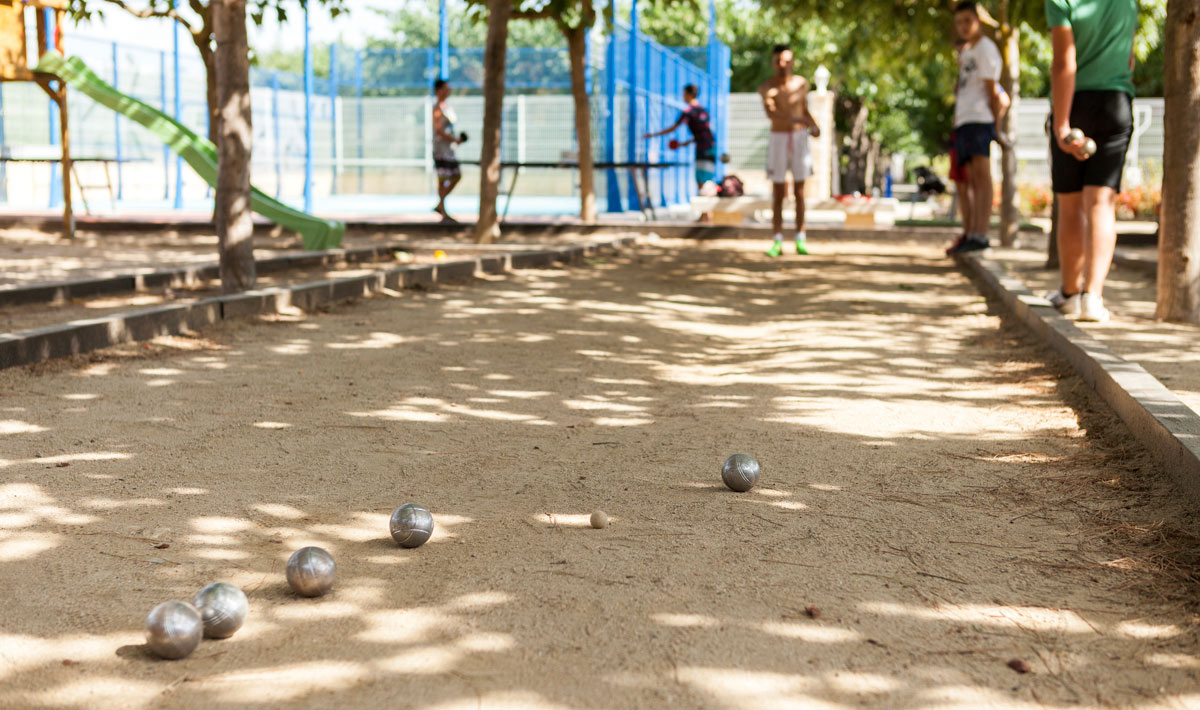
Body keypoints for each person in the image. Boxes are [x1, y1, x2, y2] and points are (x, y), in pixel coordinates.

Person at [1045, 0, 1138, 322]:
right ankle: (1092, 297)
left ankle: (1069, 294)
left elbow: (1064, 63)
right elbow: (1130, 57)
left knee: (1070, 205)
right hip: (1116, 101)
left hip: (1075, 103)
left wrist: (1061, 126)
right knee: (1101, 204)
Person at [947, 1, 1007, 254]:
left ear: (978, 20)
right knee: (970, 179)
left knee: (983, 178)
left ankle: (981, 234)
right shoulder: (968, 51)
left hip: (981, 120)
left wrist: (997, 127)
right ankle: (972, 233)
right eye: (959, 22)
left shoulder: (986, 49)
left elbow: (994, 92)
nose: (963, 27)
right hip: (964, 120)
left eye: (967, 21)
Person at [758, 44, 820, 257]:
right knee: (778, 192)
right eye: (778, 61)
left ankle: (800, 238)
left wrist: (813, 124)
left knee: (800, 191)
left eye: (786, 60)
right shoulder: (767, 87)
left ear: (792, 61)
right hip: (779, 139)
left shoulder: (801, 83)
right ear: (773, 63)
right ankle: (777, 240)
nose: (782, 65)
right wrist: (794, 119)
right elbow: (771, 114)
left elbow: (803, 108)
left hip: (799, 139)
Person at [644, 84, 718, 221]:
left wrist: (653, 134)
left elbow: (673, 128)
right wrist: (684, 143)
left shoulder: (689, 111)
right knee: (707, 179)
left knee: (702, 181)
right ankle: (705, 215)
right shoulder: (703, 111)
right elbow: (703, 133)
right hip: (711, 147)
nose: (682, 96)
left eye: (684, 93)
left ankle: (706, 216)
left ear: (689, 94)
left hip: (703, 148)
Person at [432, 79, 464, 223]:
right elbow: (438, 130)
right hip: (441, 150)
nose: (449, 90)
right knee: (444, 179)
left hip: (449, 150)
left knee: (455, 176)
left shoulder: (447, 107)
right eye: (446, 88)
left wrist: (456, 140)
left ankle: (441, 205)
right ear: (439, 90)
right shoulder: (437, 108)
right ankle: (442, 210)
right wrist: (453, 140)